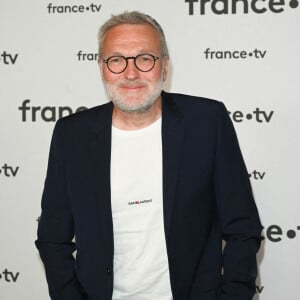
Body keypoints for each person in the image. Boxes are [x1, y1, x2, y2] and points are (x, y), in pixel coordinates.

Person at [35, 11, 262, 300]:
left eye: (145, 58)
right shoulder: (72, 135)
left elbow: (243, 228)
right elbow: (53, 237)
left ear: (164, 67)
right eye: (117, 60)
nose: (131, 73)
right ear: (102, 67)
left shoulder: (208, 122)